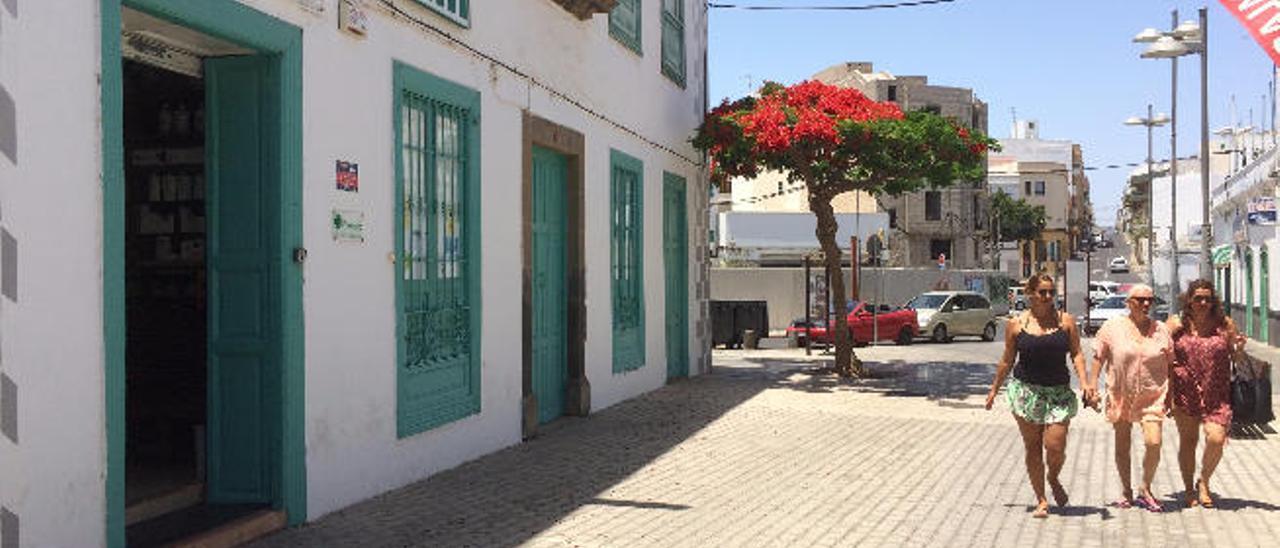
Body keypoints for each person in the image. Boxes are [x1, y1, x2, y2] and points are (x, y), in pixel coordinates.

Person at [986, 273, 1089, 518]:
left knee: (1055, 446)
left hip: (1058, 393)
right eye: (1042, 292)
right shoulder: (1016, 324)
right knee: (1033, 446)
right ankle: (1041, 499)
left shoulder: (1066, 322)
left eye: (1051, 292)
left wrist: (1085, 383)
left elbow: (1077, 354)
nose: (1048, 297)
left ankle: (1053, 477)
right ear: (1031, 294)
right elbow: (1007, 360)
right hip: (1026, 391)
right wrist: (993, 390)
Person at [1086, 283, 1172, 512]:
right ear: (1128, 302)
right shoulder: (1112, 327)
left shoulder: (1161, 330)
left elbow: (1171, 363)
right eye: (1140, 300)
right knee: (1122, 443)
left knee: (1153, 442)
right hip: (1121, 392)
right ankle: (1126, 491)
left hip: (1153, 395)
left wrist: (1171, 394)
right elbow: (1098, 357)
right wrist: (1092, 385)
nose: (1145, 304)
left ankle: (1145, 488)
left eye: (1149, 300)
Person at [1167, 279, 1245, 508]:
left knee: (1216, 438)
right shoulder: (1176, 323)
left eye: (1207, 298)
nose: (1203, 302)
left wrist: (1239, 349)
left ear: (1213, 301)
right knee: (1188, 441)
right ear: (1189, 300)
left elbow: (1236, 358)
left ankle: (1204, 480)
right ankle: (1189, 489)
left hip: (1217, 392)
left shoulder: (1225, 324)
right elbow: (1161, 351)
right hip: (1185, 391)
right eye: (1198, 298)